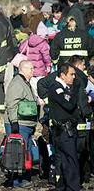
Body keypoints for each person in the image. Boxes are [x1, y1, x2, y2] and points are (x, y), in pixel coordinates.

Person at [4, 60, 37, 187]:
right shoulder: (17, 83)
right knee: (18, 153)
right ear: (23, 69)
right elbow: (11, 104)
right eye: (31, 68)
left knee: (25, 152)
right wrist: (14, 122)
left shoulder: (25, 83)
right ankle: (18, 181)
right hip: (19, 123)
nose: (33, 71)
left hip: (26, 123)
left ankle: (22, 178)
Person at [48, 63, 80, 191]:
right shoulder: (56, 88)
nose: (74, 77)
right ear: (62, 75)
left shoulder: (64, 87)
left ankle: (63, 186)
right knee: (71, 160)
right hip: (63, 131)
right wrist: (76, 91)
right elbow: (69, 105)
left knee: (66, 160)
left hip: (65, 130)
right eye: (71, 74)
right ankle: (72, 187)